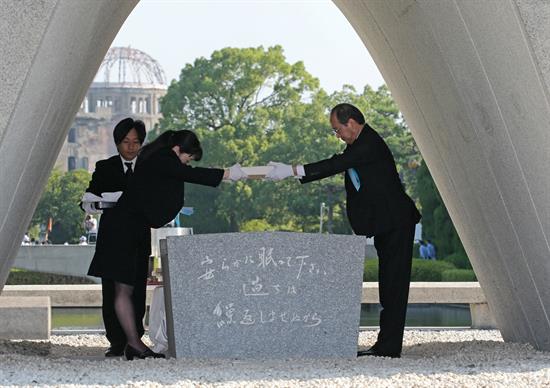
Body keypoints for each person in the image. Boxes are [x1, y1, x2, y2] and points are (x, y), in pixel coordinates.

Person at [266, 103, 421, 358]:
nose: (337, 135)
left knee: (394, 286)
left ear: (351, 123)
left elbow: (335, 164)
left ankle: (389, 347)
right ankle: (386, 345)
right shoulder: (358, 145)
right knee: (389, 285)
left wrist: (292, 171)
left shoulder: (367, 144)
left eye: (337, 129)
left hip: (396, 222)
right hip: (386, 224)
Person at [87, 129, 246, 360]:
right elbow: (192, 175)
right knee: (123, 290)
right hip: (123, 230)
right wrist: (228, 174)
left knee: (124, 289)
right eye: (187, 157)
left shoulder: (155, 157)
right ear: (178, 150)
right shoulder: (163, 159)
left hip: (125, 228)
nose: (186, 163)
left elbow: (181, 175)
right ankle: (133, 343)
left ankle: (133, 342)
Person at [81, 117, 148, 358]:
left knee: (138, 287)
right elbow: (90, 198)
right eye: (125, 142)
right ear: (117, 143)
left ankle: (135, 337)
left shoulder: (147, 168)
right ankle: (117, 341)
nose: (130, 147)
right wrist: (94, 203)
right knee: (111, 290)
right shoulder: (105, 167)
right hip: (112, 237)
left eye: (136, 142)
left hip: (139, 236)